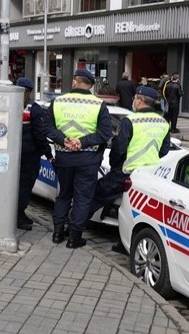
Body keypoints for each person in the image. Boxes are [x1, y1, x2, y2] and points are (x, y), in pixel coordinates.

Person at [40, 69, 113, 249]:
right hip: (88, 160)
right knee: (82, 199)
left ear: (74, 82)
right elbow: (105, 133)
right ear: (90, 85)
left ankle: (57, 233)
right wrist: (82, 142)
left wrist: (63, 140)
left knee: (64, 195)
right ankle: (74, 238)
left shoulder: (58, 102)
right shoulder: (99, 104)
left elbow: (47, 127)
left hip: (64, 158)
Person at [89, 86, 170, 219]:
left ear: (139, 100)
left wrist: (115, 166)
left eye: (135, 99)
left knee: (95, 195)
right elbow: (164, 149)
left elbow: (119, 148)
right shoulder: (163, 122)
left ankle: (73, 231)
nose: (133, 101)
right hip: (148, 173)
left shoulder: (130, 120)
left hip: (125, 173)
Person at [16, 77, 52, 231]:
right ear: (29, 92)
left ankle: (14, 213)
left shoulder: (7, 104)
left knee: (13, 185)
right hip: (29, 156)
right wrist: (48, 153)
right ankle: (18, 215)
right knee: (24, 186)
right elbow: (39, 135)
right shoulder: (34, 109)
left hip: (12, 154)